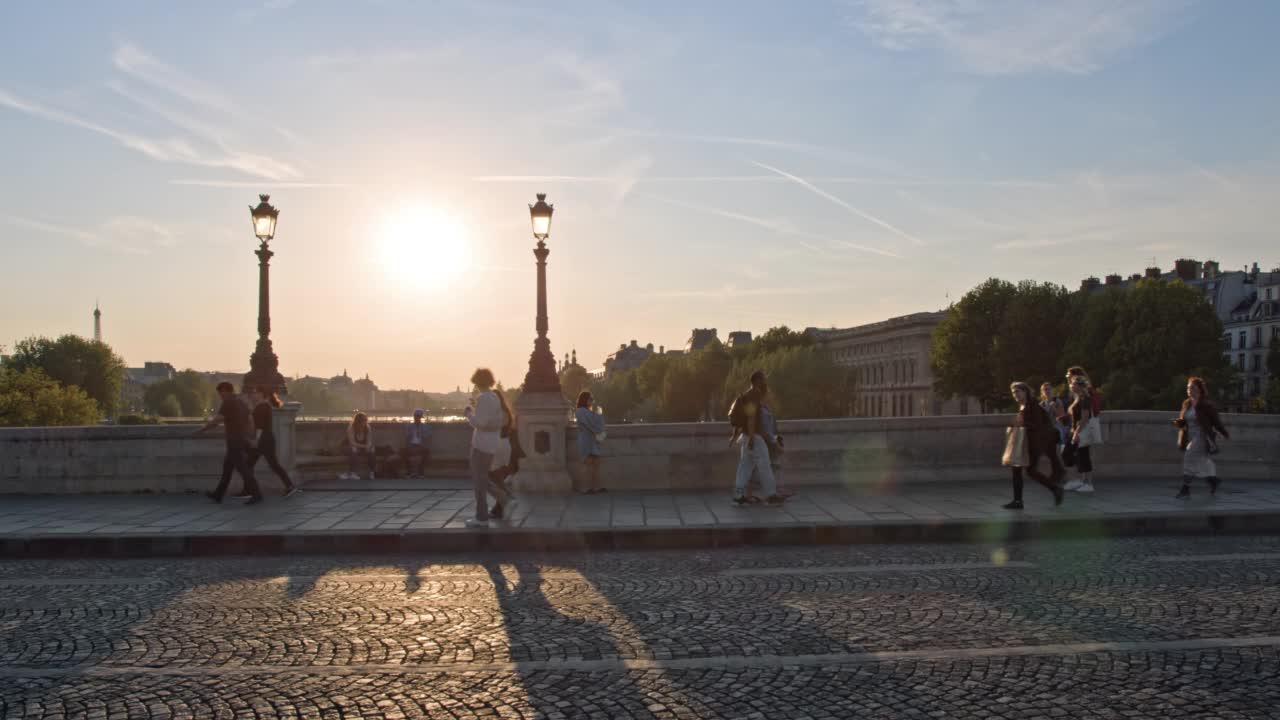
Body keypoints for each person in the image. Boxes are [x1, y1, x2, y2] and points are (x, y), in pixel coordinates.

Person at [196, 382, 263, 505]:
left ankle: (256, 494)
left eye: (220, 393)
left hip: (234, 441)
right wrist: (251, 435)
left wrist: (202, 430)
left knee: (243, 469)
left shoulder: (228, 402)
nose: (220, 396)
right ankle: (218, 495)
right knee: (227, 469)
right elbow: (250, 419)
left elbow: (217, 421)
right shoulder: (241, 402)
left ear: (226, 391)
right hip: (242, 439)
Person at [1004, 382, 1065, 509]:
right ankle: (1018, 500)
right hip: (1028, 441)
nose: (1015, 394)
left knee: (1030, 471)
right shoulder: (1023, 405)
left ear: (1025, 391)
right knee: (1017, 469)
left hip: (1037, 442)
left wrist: (1021, 424)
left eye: (1018, 391)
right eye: (1013, 393)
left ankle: (1055, 489)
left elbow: (1037, 425)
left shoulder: (1033, 405)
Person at [464, 368, 511, 528]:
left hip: (481, 444)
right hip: (492, 443)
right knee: (483, 478)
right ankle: (503, 498)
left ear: (477, 382)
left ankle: (482, 516)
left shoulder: (484, 398)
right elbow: (492, 421)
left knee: (479, 481)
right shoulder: (494, 397)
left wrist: (469, 414)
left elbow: (481, 423)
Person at [729, 371, 784, 506]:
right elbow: (751, 418)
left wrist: (734, 435)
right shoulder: (755, 395)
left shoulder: (745, 395)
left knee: (745, 467)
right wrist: (753, 438)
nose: (765, 382)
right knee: (765, 466)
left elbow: (742, 418)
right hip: (755, 437)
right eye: (763, 379)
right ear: (758, 381)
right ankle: (771, 495)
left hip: (746, 436)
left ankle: (738, 496)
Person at [1174, 376, 1230, 499]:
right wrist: (1180, 422)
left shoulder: (1206, 405)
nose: (1189, 390)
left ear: (1199, 389)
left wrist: (1224, 433)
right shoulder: (1187, 403)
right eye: (1188, 388)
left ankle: (1185, 488)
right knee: (1201, 462)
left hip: (1202, 436)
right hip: (1190, 436)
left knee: (1189, 457)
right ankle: (1213, 480)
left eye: (1192, 388)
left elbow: (1216, 421)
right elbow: (1185, 420)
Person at [247, 386, 299, 497]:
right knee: (272, 464)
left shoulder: (261, 407)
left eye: (254, 392)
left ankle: (250, 490)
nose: (252, 394)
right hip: (267, 439)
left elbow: (260, 427)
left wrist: (256, 440)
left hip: (263, 440)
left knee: (249, 465)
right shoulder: (265, 406)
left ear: (262, 394)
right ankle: (289, 486)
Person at [488, 388, 524, 519]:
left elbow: (489, 427)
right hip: (504, 446)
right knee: (497, 477)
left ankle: (508, 498)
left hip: (498, 446)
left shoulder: (500, 413)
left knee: (492, 477)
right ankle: (499, 509)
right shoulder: (506, 413)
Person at [1062, 376, 1097, 493]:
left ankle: (1088, 483)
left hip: (1081, 431)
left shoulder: (1085, 398)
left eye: (1073, 384)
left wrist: (1076, 433)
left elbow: (1085, 418)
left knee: (1083, 456)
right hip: (1074, 430)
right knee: (1068, 454)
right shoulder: (1077, 397)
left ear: (1079, 386)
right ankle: (1077, 480)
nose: (1071, 385)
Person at [575, 390, 606, 494]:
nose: (592, 401)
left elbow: (596, 422)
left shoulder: (588, 411)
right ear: (585, 400)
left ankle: (596, 487)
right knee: (587, 464)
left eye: (592, 399)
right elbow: (593, 424)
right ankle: (585, 488)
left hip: (592, 440)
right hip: (586, 440)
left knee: (596, 464)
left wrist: (598, 414)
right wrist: (598, 415)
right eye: (590, 399)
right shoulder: (580, 411)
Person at [343, 412, 376, 481]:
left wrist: (368, 447)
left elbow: (369, 441)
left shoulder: (367, 428)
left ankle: (372, 472)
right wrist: (364, 446)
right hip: (350, 447)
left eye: (365, 421)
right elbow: (352, 443)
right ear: (357, 422)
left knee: (372, 449)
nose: (364, 423)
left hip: (362, 447)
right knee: (353, 449)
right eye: (362, 421)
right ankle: (353, 473)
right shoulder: (351, 428)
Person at [400, 409, 433, 479]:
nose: (417, 418)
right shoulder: (409, 426)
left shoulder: (425, 427)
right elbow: (406, 437)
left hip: (421, 446)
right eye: (416, 417)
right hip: (411, 445)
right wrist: (409, 445)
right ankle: (409, 472)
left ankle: (420, 472)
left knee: (427, 452)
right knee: (402, 452)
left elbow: (428, 437)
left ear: (421, 418)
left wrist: (421, 435)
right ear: (414, 417)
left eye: (419, 417)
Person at [1040, 382, 1071, 451]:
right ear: (1042, 392)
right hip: (1047, 426)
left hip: (1057, 425)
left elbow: (1062, 415)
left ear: (1052, 390)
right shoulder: (1042, 404)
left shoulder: (1057, 401)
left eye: (1048, 389)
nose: (1047, 391)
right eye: (1045, 389)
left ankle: (1063, 450)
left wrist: (1054, 408)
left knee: (1061, 435)